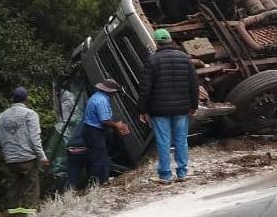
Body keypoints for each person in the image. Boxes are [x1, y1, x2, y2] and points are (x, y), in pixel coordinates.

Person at [137, 28, 199, 185]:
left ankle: (165, 175)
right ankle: (182, 172)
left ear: (157, 42)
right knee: (181, 140)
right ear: (170, 40)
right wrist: (193, 105)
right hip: (181, 109)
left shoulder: (152, 60)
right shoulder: (185, 59)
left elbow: (145, 88)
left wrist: (142, 110)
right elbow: (194, 85)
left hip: (159, 110)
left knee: (164, 142)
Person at [0, 87, 49, 208]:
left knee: (13, 188)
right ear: (26, 99)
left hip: (10, 160)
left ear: (12, 99)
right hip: (27, 158)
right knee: (31, 188)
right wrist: (43, 157)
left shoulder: (3, 116)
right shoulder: (30, 114)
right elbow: (35, 139)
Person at [82, 78, 131, 185]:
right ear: (110, 91)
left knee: (99, 155)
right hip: (93, 131)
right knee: (99, 156)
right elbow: (104, 120)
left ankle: (100, 179)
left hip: (90, 129)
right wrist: (117, 125)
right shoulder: (102, 101)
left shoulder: (97, 97)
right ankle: (100, 182)